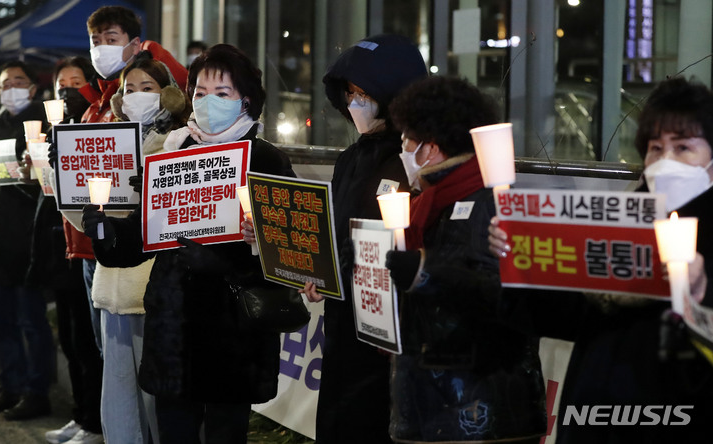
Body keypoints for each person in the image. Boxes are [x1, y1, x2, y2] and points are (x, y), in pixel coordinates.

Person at [82, 43, 294, 444]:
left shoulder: (265, 160)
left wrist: (229, 260)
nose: (207, 102)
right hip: (174, 328)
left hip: (233, 333)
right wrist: (107, 231)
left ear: (246, 101)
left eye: (222, 93)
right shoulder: (173, 152)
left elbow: (287, 252)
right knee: (173, 431)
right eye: (199, 92)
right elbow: (140, 240)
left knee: (224, 433)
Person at [488, 76, 713, 443]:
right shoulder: (617, 227)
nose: (665, 161)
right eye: (656, 149)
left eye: (684, 147)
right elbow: (565, 316)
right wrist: (520, 264)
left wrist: (699, 294)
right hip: (593, 418)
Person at [381, 76, 547, 443]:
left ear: (432, 147)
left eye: (409, 138)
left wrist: (424, 273)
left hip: (481, 409)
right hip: (435, 404)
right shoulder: (431, 202)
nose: (403, 148)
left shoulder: (489, 203)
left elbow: (496, 297)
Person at [298, 34, 427, 443]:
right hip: (342, 321)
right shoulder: (352, 157)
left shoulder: (413, 161)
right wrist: (319, 271)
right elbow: (334, 230)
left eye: (365, 93)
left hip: (390, 328)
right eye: (350, 93)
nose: (355, 102)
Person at [84, 57, 189, 444]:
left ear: (170, 95)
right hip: (112, 282)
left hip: (151, 285)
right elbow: (87, 219)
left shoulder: (179, 141)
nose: (137, 96)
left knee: (156, 400)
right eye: (130, 89)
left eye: (148, 88)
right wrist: (69, 182)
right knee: (118, 396)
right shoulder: (106, 140)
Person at [29, 57, 106, 444]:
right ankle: (81, 414)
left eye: (76, 81)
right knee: (74, 341)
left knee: (91, 345)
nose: (68, 88)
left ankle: (95, 422)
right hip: (64, 247)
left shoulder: (95, 123)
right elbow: (51, 191)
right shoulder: (61, 129)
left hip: (91, 248)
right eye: (62, 83)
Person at [0, 61, 54, 420]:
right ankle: (10, 385)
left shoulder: (45, 125)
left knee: (31, 320)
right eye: (5, 82)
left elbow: (47, 183)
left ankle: (36, 391)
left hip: (29, 238)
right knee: (2, 320)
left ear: (32, 88)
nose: (11, 87)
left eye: (19, 81)